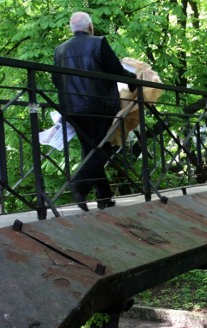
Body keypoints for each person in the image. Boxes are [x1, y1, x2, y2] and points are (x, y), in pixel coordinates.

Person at [52, 11, 136, 211]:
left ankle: (104, 196)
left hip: (72, 109)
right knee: (104, 149)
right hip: (99, 106)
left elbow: (56, 80)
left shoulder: (60, 50)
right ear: (90, 27)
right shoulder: (98, 43)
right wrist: (133, 85)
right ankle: (79, 185)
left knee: (90, 150)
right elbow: (115, 70)